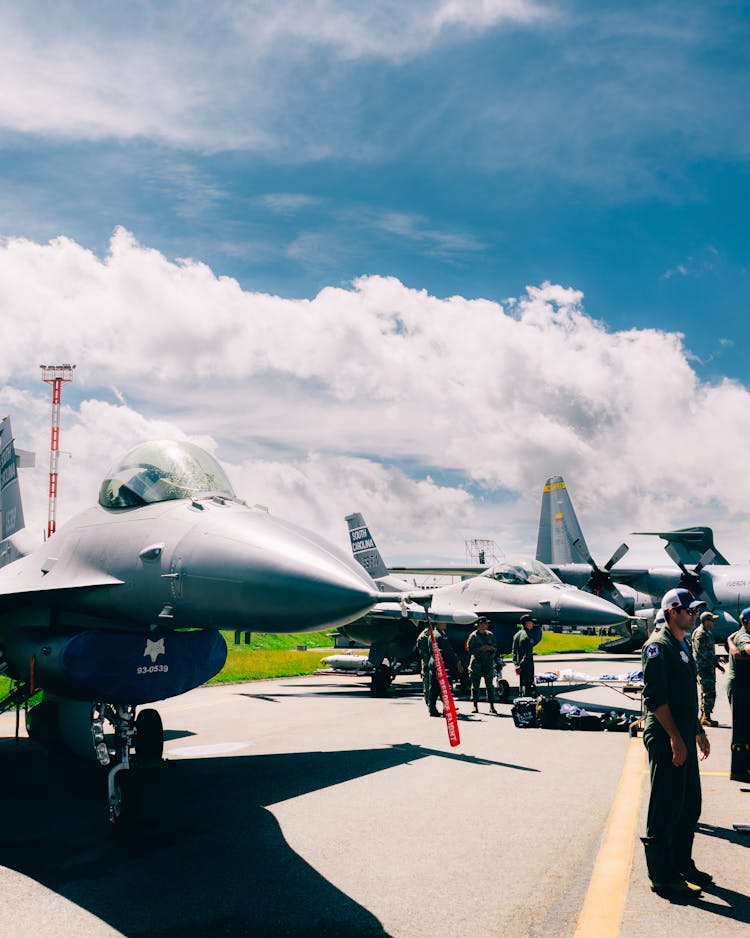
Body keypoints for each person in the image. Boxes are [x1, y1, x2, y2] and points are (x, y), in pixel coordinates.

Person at [641, 588, 711, 899]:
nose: (693, 614)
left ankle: (682, 863)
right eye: (688, 610)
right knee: (666, 805)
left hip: (683, 733)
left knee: (689, 804)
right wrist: (675, 738)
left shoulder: (682, 643)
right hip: (666, 736)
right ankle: (663, 875)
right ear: (672, 611)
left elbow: (685, 695)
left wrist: (697, 730)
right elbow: (655, 698)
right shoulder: (658, 646)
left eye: (695, 610)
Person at [418, 620, 462, 717]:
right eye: (443, 622)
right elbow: (446, 651)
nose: (446, 623)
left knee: (434, 688)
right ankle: (446, 710)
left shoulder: (435, 634)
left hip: (434, 664)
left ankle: (432, 709)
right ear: (438, 624)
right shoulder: (439, 636)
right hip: (440, 665)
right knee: (444, 688)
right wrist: (456, 662)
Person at [726, 607, 750, 782]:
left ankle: (744, 767)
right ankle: (739, 770)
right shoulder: (743, 636)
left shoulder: (740, 634)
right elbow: (747, 650)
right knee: (741, 728)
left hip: (744, 687)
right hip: (740, 687)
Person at [691, 610, 725, 727]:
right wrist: (715, 659)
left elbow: (709, 652)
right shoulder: (700, 634)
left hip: (708, 666)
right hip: (703, 667)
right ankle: (706, 716)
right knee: (708, 692)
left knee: (708, 691)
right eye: (712, 620)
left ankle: (705, 715)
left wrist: (717, 664)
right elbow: (702, 652)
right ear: (706, 621)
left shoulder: (708, 633)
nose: (714, 623)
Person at [466, 616, 498, 714]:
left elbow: (495, 648)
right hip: (476, 664)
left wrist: (490, 649)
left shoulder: (490, 635)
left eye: (487, 624)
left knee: (490, 685)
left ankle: (492, 706)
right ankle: (475, 706)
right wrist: (480, 649)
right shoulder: (473, 636)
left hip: (488, 663)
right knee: (475, 686)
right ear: (479, 625)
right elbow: (469, 650)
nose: (486, 625)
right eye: (485, 624)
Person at [512, 614, 535, 698]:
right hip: (527, 666)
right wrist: (521, 666)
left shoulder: (517, 635)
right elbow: (527, 654)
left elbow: (514, 652)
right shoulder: (527, 636)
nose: (532, 624)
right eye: (531, 622)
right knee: (528, 687)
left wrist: (516, 665)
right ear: (527, 623)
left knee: (521, 685)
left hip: (519, 666)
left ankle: (521, 700)